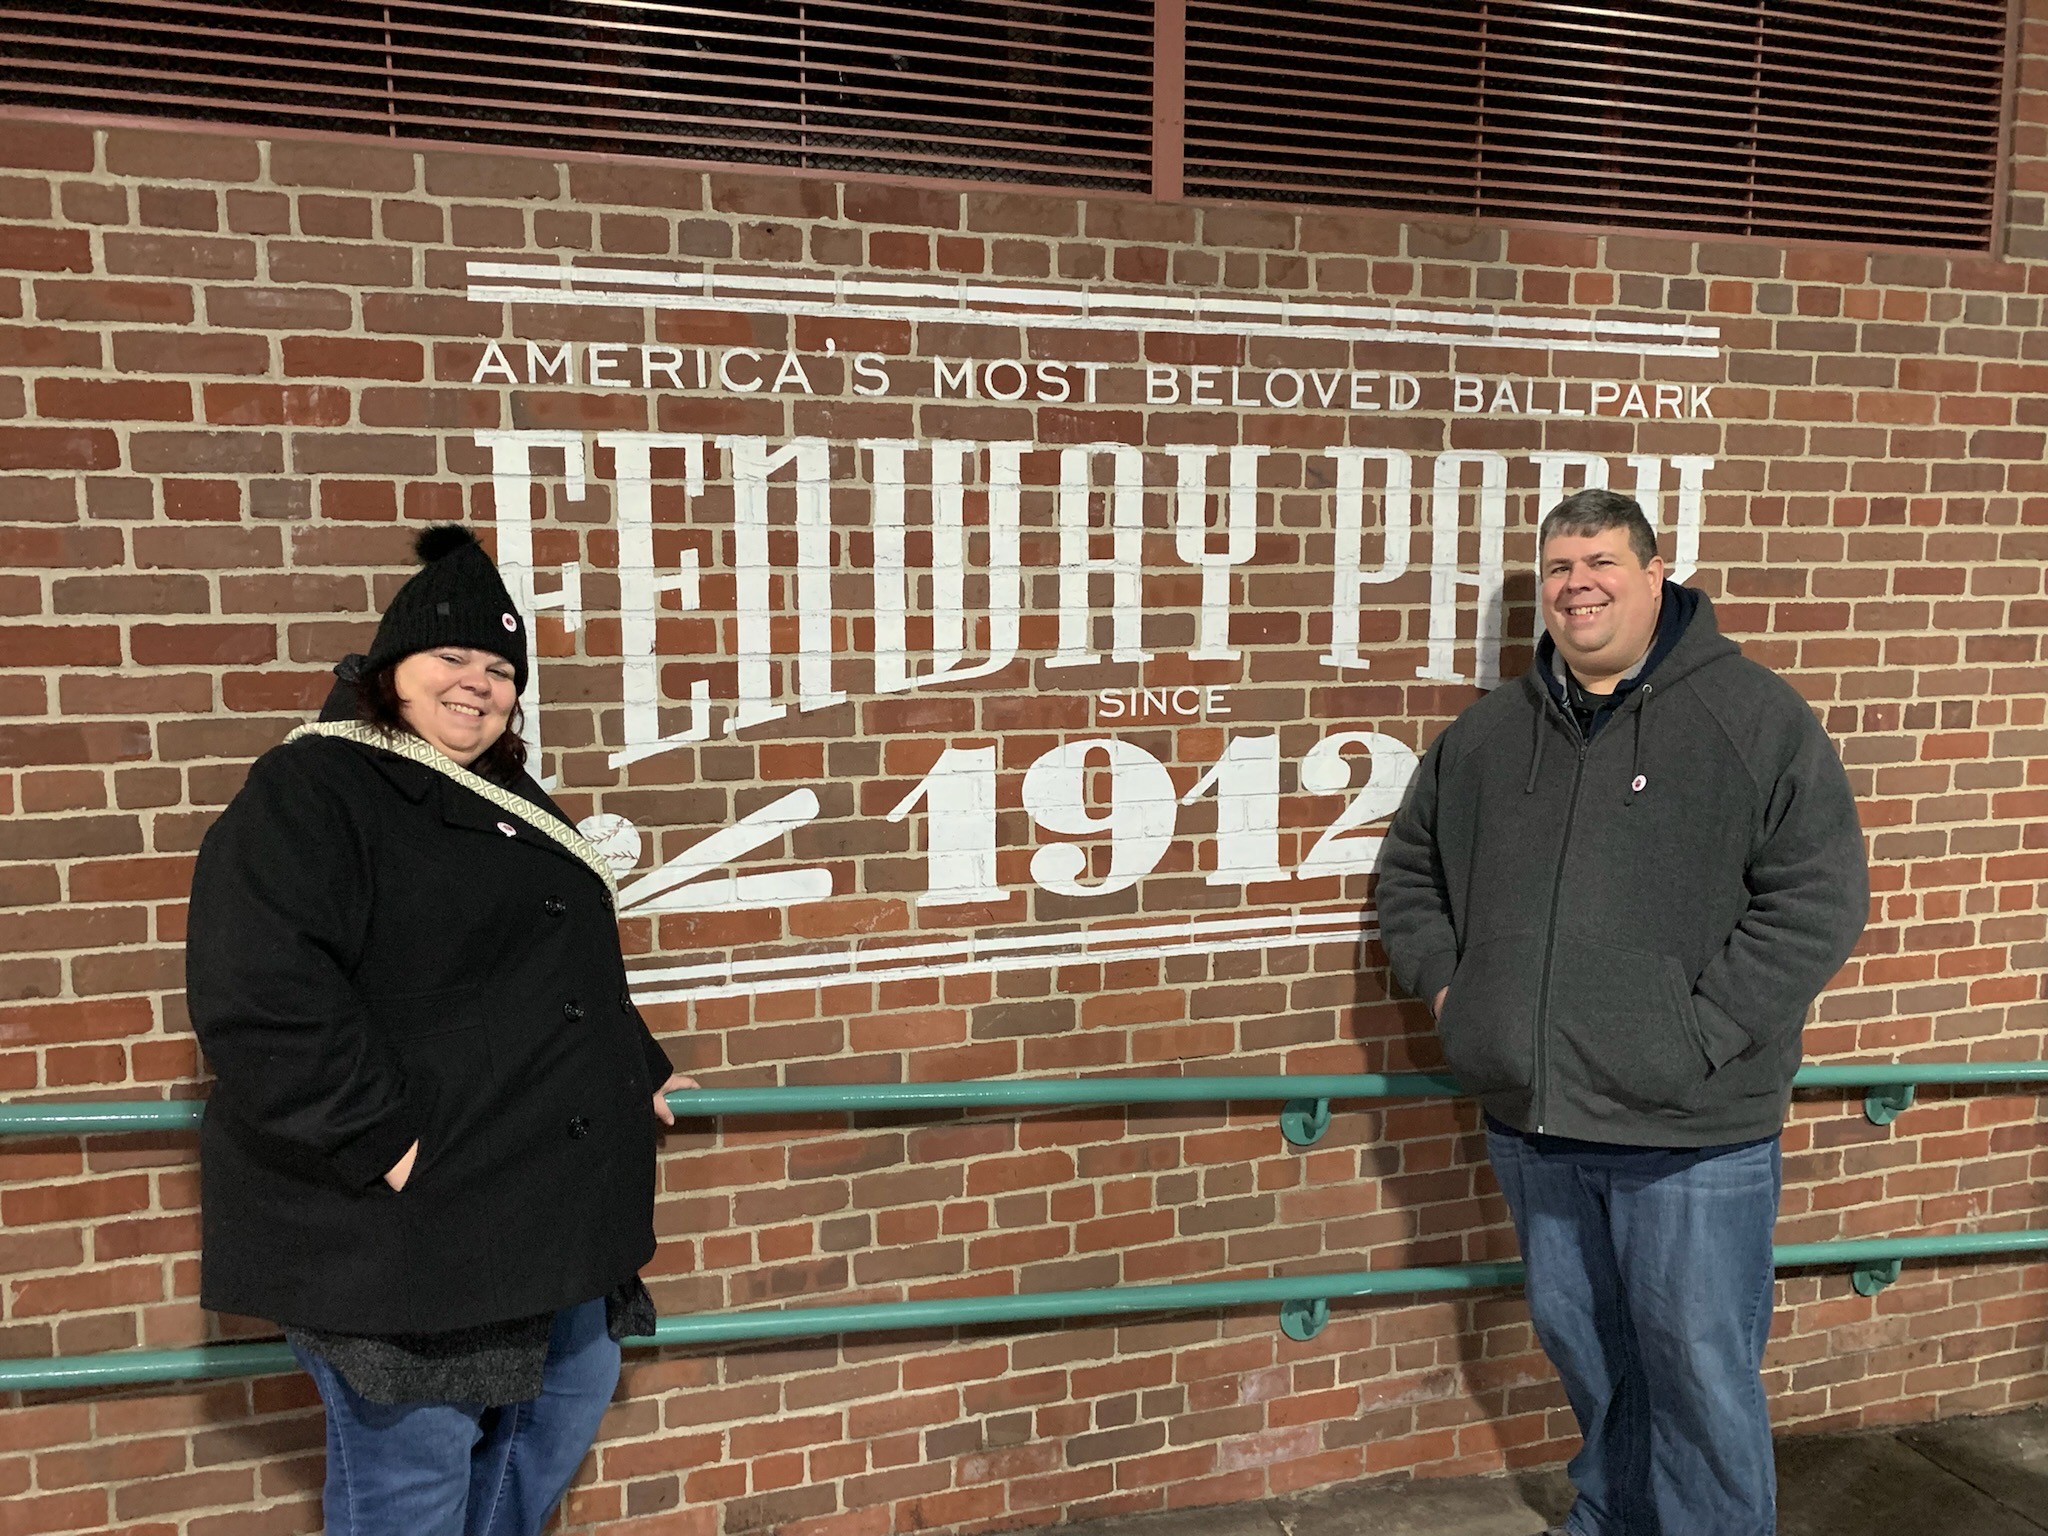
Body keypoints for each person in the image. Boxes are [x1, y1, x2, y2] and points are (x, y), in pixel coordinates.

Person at [1375, 488, 1868, 1536]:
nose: (1575, 585)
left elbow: (1819, 896)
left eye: (1599, 561)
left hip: (1689, 1131)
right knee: (1590, 1359)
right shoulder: (1488, 735)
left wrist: (1696, 1035)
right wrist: (1456, 997)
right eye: (1556, 568)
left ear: (1654, 575)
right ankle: (1609, 1519)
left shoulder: (1752, 718)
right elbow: (1409, 874)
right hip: (1536, 1123)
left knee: (1695, 1373)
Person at [187, 525, 693, 1536]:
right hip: (412, 1225)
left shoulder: (501, 794)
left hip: (543, 1205)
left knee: (546, 1433)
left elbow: (555, 958)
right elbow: (260, 989)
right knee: (413, 1488)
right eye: (451, 657)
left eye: (501, 668)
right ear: (391, 670)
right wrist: (385, 1141)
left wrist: (632, 1067)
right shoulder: (315, 788)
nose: (479, 684)